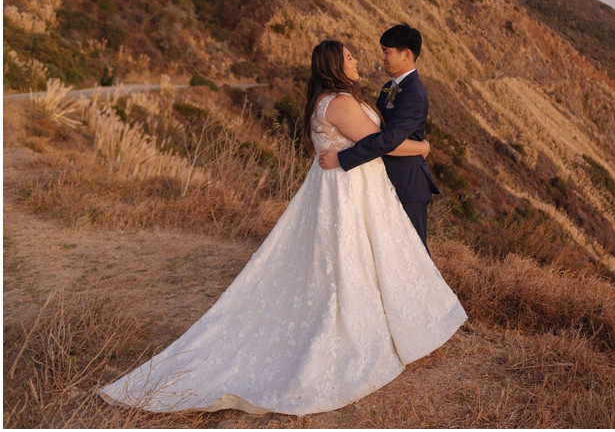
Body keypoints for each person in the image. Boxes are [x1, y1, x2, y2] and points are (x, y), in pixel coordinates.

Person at [99, 40, 467, 416]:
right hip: (348, 192)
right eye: (350, 57)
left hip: (353, 187)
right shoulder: (338, 102)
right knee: (347, 260)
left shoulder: (334, 97)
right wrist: (422, 149)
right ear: (334, 66)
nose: (358, 61)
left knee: (351, 259)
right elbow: (379, 144)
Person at [319, 24, 438, 248]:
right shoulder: (388, 87)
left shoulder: (414, 93)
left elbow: (388, 139)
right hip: (384, 179)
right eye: (382, 50)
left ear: (407, 55)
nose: (382, 57)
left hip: (407, 181)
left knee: (414, 252)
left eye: (387, 51)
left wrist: (342, 158)